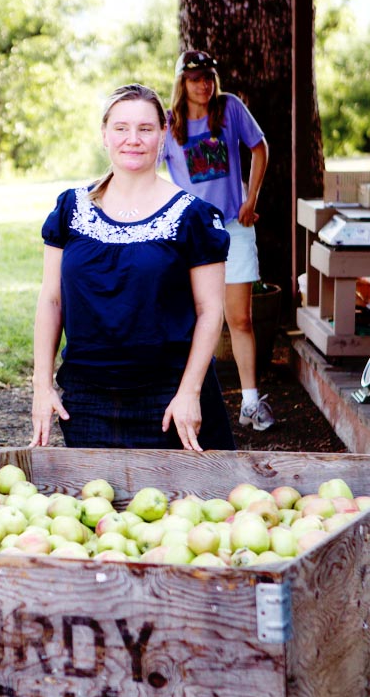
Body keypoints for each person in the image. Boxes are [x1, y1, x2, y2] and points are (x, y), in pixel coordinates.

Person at [30, 82, 235, 452]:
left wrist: (189, 393)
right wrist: (42, 387)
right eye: (121, 128)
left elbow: (210, 312)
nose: (133, 139)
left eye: (145, 129)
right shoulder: (70, 209)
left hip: (170, 399)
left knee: (178, 508)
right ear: (104, 136)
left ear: (162, 135)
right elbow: (51, 301)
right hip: (86, 399)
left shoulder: (193, 216)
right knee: (94, 506)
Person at [163, 50, 275, 432]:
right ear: (182, 83)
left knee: (239, 318)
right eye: (195, 78)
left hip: (233, 226)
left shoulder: (229, 108)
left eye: (208, 76)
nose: (204, 84)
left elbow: (259, 147)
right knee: (190, 317)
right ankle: (187, 397)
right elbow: (145, 168)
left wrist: (251, 199)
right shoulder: (167, 123)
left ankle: (249, 403)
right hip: (192, 233)